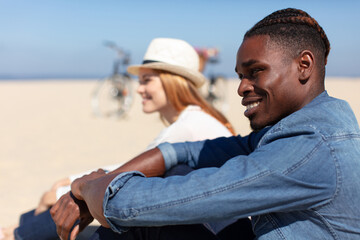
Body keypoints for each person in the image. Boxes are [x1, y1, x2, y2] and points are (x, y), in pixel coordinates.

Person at [51, 8, 360, 240]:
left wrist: (87, 187)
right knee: (177, 172)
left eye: (255, 72)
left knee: (148, 215)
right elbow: (183, 152)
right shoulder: (304, 126)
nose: (241, 87)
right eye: (240, 76)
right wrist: (107, 180)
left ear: (303, 66)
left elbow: (164, 201)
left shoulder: (311, 147)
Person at [4, 38, 236, 240]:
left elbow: (131, 175)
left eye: (147, 80)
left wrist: (65, 188)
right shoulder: (195, 119)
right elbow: (140, 167)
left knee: (98, 197)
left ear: (172, 82)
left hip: (213, 228)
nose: (138, 89)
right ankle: (20, 231)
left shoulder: (189, 126)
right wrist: (71, 181)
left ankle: (19, 234)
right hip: (210, 221)